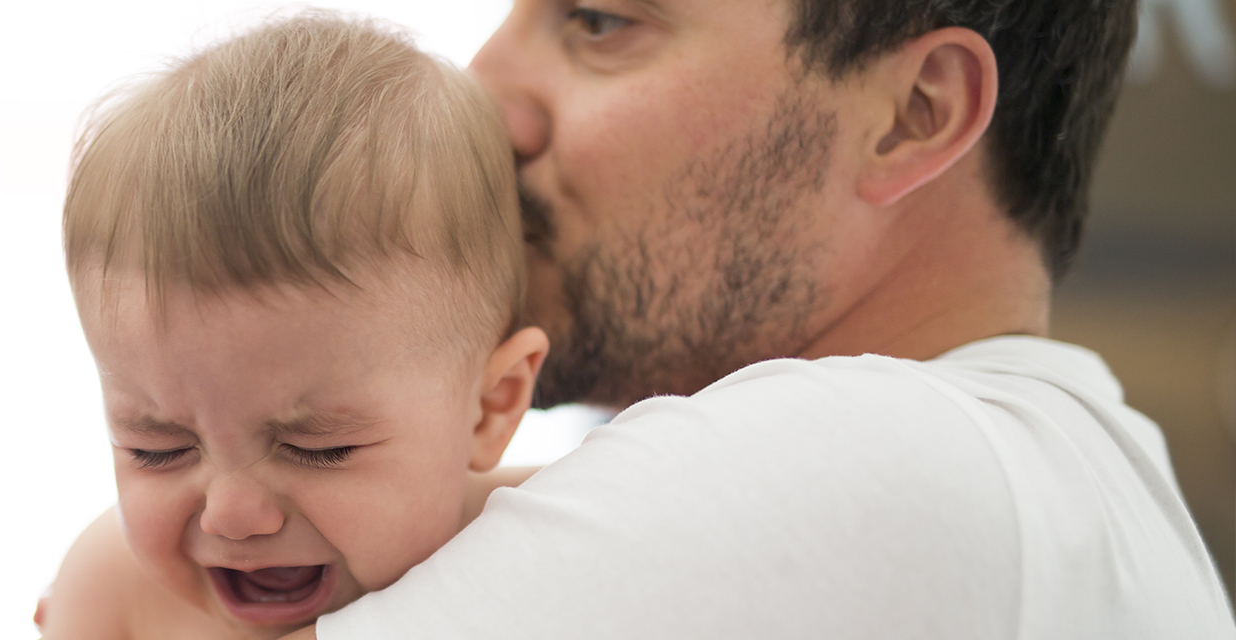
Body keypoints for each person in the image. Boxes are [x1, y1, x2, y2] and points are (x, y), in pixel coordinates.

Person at [277, 0, 1236, 638]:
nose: (481, 99)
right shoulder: (1055, 488)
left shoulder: (859, 460)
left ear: (912, 114)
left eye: (602, 22)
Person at [36, 14, 549, 640]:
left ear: (490, 407)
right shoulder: (115, 595)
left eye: (318, 448)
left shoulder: (555, 544)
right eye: (156, 449)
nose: (231, 515)